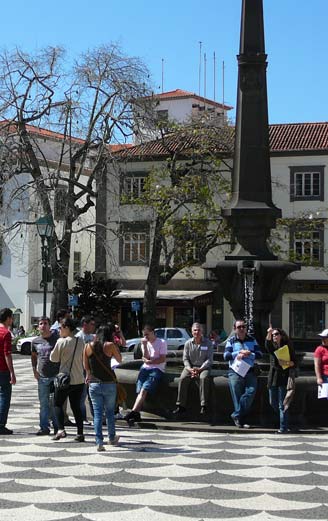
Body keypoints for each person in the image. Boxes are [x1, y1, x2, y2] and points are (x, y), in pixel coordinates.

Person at [83, 324, 122, 451]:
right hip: (109, 383)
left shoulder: (87, 346)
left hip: (94, 383)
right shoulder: (110, 345)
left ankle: (99, 441)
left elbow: (86, 366)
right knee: (110, 412)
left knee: (97, 413)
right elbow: (119, 359)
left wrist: (89, 375)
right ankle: (111, 437)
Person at [50, 317, 85, 441]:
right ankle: (80, 433)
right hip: (79, 379)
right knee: (76, 406)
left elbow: (53, 358)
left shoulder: (61, 342)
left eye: (60, 327)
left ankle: (60, 430)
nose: (59, 330)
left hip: (64, 380)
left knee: (57, 404)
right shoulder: (80, 341)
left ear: (66, 328)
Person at [125, 324, 167, 425]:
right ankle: (136, 414)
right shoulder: (145, 343)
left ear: (153, 333)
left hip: (156, 369)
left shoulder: (161, 342)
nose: (145, 337)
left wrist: (151, 362)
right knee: (140, 390)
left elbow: (162, 358)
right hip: (145, 368)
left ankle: (133, 412)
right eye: (144, 335)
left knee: (144, 389)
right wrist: (144, 346)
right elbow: (145, 357)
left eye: (147, 335)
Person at [224, 319, 262, 428]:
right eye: (239, 327)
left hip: (249, 371)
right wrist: (238, 353)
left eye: (243, 327)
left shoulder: (252, 339)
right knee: (237, 395)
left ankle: (236, 414)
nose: (241, 329)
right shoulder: (231, 341)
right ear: (235, 329)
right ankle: (241, 420)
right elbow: (226, 356)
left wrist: (250, 353)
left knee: (251, 391)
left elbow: (259, 354)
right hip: (235, 371)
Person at [173, 322, 213, 417]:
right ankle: (181, 406)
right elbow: (185, 358)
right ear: (192, 332)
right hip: (190, 367)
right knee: (182, 379)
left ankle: (204, 405)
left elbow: (209, 359)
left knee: (203, 378)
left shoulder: (208, 343)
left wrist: (200, 369)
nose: (197, 332)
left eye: (199, 330)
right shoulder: (187, 343)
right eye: (195, 330)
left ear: (202, 331)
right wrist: (190, 369)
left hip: (203, 367)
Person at [31, 317, 59, 435]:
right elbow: (33, 356)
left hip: (55, 375)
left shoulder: (56, 340)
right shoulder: (35, 341)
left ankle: (58, 427)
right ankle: (44, 427)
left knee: (55, 403)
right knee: (43, 403)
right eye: (41, 324)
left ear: (50, 325)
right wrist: (34, 370)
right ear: (38, 327)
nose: (43, 326)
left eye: (45, 323)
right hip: (42, 377)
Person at [265, 326, 296, 433]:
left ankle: (283, 427)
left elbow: (294, 362)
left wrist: (286, 363)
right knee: (272, 402)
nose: (275, 336)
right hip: (273, 377)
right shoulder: (272, 347)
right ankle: (284, 420)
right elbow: (267, 345)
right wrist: (269, 333)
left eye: (276, 334)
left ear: (281, 336)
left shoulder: (287, 347)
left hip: (283, 377)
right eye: (273, 335)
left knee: (282, 404)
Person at [75, 316, 96, 423]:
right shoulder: (79, 337)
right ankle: (82, 418)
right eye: (91, 324)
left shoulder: (93, 337)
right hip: (82, 369)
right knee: (82, 396)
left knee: (93, 395)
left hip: (93, 369)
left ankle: (96, 417)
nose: (93, 326)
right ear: (85, 324)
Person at [0, 308, 16, 435]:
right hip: (3, 370)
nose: (12, 320)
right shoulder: (6, 333)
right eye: (11, 317)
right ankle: (1, 424)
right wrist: (12, 372)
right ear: (8, 318)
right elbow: (7, 354)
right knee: (5, 396)